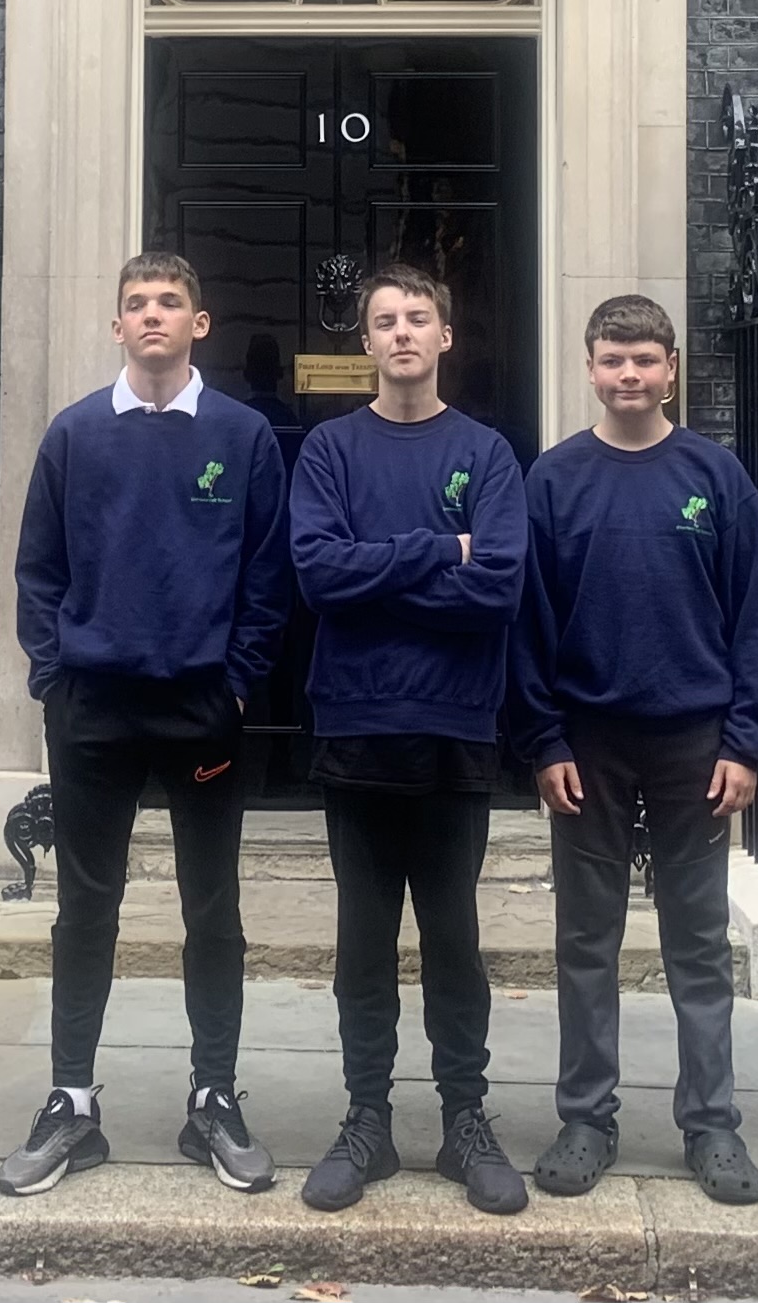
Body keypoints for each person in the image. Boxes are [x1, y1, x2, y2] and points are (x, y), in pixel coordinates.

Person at [2, 253, 288, 1198]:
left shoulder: (243, 435)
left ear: (199, 322)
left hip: (203, 711)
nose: (153, 314)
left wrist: (237, 685)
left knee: (213, 906)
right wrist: (55, 680)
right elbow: (38, 569)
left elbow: (268, 574)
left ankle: (213, 1095)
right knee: (86, 905)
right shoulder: (76, 432)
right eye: (137, 303)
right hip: (94, 710)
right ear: (116, 324)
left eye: (170, 301)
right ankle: (70, 1099)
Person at [511, 294, 758, 1206]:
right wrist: (543, 737)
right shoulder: (553, 479)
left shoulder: (716, 475)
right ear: (590, 368)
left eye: (646, 359)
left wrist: (746, 740)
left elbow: (753, 615)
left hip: (694, 742)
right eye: (613, 359)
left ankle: (712, 1123)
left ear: (671, 369)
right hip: (587, 742)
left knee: (697, 943)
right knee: (586, 939)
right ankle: (586, 1115)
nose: (630, 374)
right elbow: (528, 623)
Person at [290, 264, 529, 1215]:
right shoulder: (329, 450)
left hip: (456, 725)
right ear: (365, 342)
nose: (400, 332)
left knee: (454, 937)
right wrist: (440, 550)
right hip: (355, 722)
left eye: (417, 317)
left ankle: (465, 1117)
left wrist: (379, 573)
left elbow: (499, 586)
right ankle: (368, 1118)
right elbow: (319, 576)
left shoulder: (487, 452)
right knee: (362, 938)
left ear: (444, 337)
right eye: (384, 320)